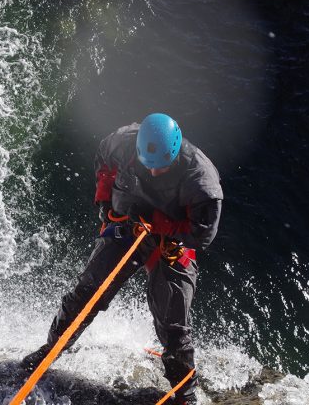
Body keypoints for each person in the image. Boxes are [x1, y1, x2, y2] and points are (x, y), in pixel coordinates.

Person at [21, 113, 223, 405]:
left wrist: (159, 225)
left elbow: (202, 234)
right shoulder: (123, 142)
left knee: (173, 325)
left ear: (175, 152)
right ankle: (51, 349)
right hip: (128, 224)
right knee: (87, 291)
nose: (154, 173)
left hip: (169, 243)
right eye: (148, 165)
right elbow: (104, 161)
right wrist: (105, 200)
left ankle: (185, 395)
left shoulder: (201, 179)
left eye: (161, 167)